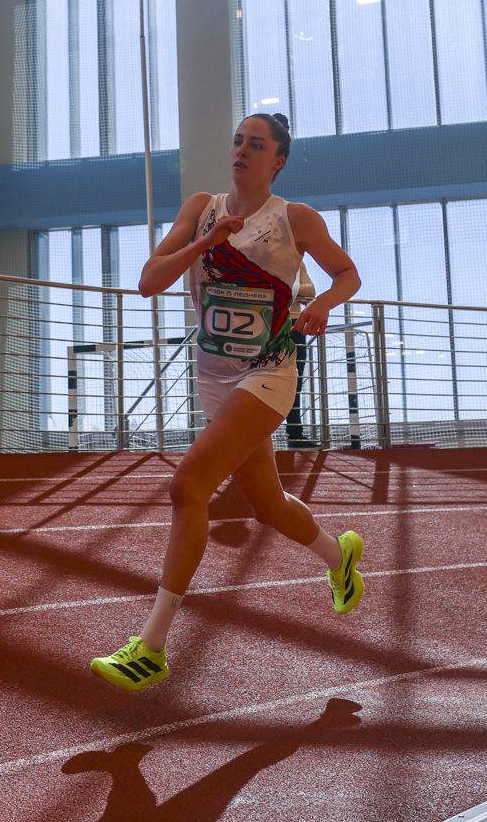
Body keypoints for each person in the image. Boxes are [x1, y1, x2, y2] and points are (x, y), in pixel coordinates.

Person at [90, 112, 364, 691]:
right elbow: (149, 281)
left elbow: (347, 274)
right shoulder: (202, 208)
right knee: (268, 505)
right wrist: (205, 243)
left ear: (277, 160)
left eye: (255, 144)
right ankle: (338, 557)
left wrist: (322, 304)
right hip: (214, 376)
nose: (241, 150)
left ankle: (152, 647)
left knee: (187, 485)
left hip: (269, 370)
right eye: (237, 141)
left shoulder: (294, 218)